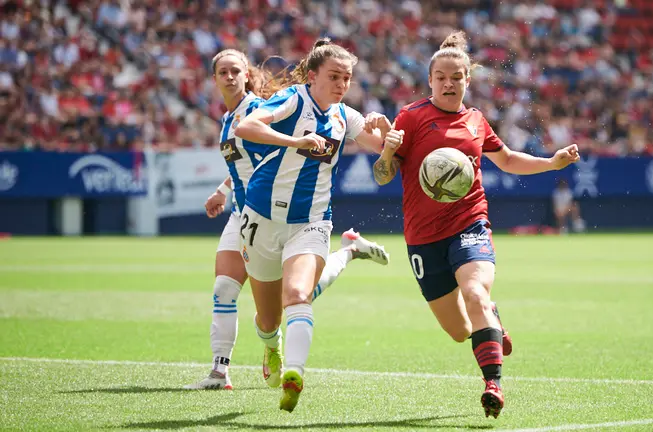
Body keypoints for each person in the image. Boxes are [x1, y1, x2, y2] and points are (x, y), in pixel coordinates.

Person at [370, 31, 580, 418]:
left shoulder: (477, 121)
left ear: (468, 79)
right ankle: (493, 323)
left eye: (456, 77)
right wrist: (386, 150)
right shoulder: (411, 118)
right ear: (430, 80)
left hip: (469, 223)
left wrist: (551, 162)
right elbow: (383, 175)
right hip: (422, 238)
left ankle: (493, 384)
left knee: (475, 293)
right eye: (441, 77)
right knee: (458, 330)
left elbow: (509, 160)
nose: (449, 83)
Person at [184, 49, 390, 391]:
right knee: (256, 303)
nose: (231, 77)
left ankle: (243, 370)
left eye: (237, 70)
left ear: (248, 75)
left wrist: (388, 134)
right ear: (214, 79)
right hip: (252, 214)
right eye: (223, 72)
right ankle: (227, 368)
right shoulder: (227, 120)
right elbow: (252, 161)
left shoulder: (266, 107)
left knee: (294, 293)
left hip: (297, 215)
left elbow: (265, 147)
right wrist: (224, 189)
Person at [233, 38, 395, 412]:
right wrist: (295, 140)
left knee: (298, 294)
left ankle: (294, 374)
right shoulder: (292, 99)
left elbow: (387, 153)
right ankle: (271, 347)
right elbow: (246, 126)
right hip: (260, 217)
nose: (341, 85)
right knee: (268, 318)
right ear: (312, 75)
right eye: (334, 76)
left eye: (347, 78)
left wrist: (387, 133)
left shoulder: (345, 116)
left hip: (311, 221)